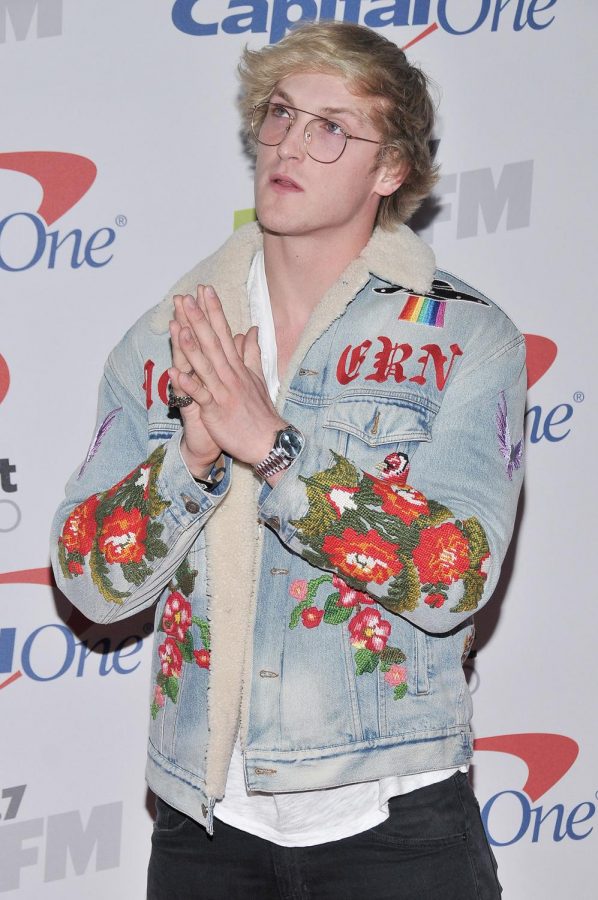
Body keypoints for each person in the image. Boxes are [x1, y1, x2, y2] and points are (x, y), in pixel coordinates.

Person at [51, 20, 525, 899]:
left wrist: (273, 447)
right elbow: (85, 578)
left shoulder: (465, 336)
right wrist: (189, 456)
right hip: (204, 828)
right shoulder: (167, 338)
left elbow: (454, 575)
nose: (291, 144)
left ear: (391, 171)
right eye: (279, 114)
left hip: (398, 824)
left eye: (331, 127)